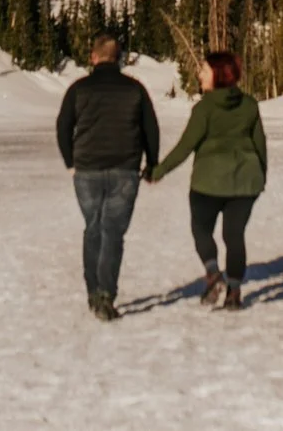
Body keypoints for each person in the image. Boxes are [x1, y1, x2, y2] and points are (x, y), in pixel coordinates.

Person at [148, 49, 266, 311]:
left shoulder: (204, 108)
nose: (199, 74)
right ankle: (234, 294)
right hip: (246, 182)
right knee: (234, 236)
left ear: (219, 75)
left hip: (208, 184)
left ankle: (213, 275)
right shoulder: (250, 105)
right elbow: (260, 144)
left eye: (203, 70)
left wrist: (159, 171)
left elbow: (185, 146)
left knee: (201, 230)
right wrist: (260, 178)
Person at [56, 32, 160, 321]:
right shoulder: (135, 89)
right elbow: (151, 128)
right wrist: (152, 163)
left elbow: (63, 126)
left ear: (93, 56)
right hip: (125, 170)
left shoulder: (79, 89)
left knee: (93, 228)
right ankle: (105, 293)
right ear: (120, 58)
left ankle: (93, 291)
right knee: (112, 232)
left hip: (86, 169)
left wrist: (70, 161)